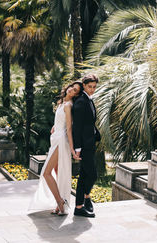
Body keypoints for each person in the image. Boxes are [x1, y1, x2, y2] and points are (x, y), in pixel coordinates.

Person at [29, 81, 83, 215]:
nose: (72, 90)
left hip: (61, 140)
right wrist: (55, 126)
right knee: (57, 171)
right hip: (55, 139)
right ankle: (60, 202)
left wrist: (72, 148)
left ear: (76, 95)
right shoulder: (61, 103)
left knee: (46, 172)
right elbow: (61, 122)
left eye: (75, 91)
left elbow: (69, 128)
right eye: (72, 87)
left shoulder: (68, 106)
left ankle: (60, 201)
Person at [72, 74, 101, 218]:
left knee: (83, 176)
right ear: (84, 85)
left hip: (89, 143)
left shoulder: (88, 100)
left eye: (94, 87)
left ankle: (79, 207)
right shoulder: (81, 102)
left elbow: (90, 122)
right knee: (92, 174)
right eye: (90, 87)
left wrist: (96, 133)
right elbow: (77, 127)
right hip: (84, 146)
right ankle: (86, 197)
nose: (92, 90)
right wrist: (77, 148)